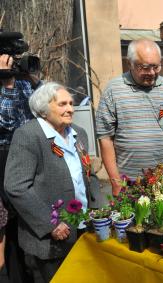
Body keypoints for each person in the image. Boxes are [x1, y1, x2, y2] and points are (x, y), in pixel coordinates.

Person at [4, 82, 96, 282]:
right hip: (49, 240)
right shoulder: (28, 136)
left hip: (82, 229)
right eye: (62, 104)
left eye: (71, 103)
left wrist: (97, 210)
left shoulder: (78, 133)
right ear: (44, 110)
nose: (70, 109)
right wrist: (50, 223)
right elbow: (16, 186)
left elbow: (88, 174)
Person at [96, 39, 163, 196]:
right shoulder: (113, 90)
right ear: (129, 64)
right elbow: (105, 139)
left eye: (156, 66)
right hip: (129, 183)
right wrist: (115, 181)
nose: (152, 72)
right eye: (145, 67)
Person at [0, 54, 35, 283]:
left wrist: (28, 78)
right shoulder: (10, 83)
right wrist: (7, 82)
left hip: (27, 153)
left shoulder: (23, 83)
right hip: (3, 157)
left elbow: (34, 114)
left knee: (27, 219)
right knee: (7, 226)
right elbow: (7, 121)